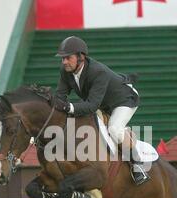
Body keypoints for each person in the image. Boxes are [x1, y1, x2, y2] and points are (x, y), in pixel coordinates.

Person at [53, 36, 150, 185]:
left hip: (123, 100)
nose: (64, 62)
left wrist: (68, 107)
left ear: (81, 57)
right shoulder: (65, 71)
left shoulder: (97, 71)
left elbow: (91, 105)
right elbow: (60, 96)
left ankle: (137, 164)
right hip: (102, 103)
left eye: (68, 58)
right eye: (62, 58)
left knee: (114, 128)